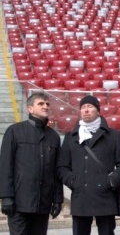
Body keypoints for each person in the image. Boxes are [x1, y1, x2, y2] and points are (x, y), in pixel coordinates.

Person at [57, 95, 120, 235]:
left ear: (98, 111)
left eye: (90, 107)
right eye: (83, 107)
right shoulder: (71, 137)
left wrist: (111, 180)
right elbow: (62, 166)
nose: (86, 110)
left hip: (105, 195)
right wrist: (73, 181)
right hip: (81, 195)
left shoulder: (113, 135)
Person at [0, 92, 63, 235]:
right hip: (19, 203)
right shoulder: (14, 131)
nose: (45, 106)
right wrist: (6, 197)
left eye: (47, 104)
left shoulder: (53, 137)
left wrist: (57, 199)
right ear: (30, 109)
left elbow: (56, 172)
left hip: (43, 203)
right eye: (40, 104)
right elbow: (5, 166)